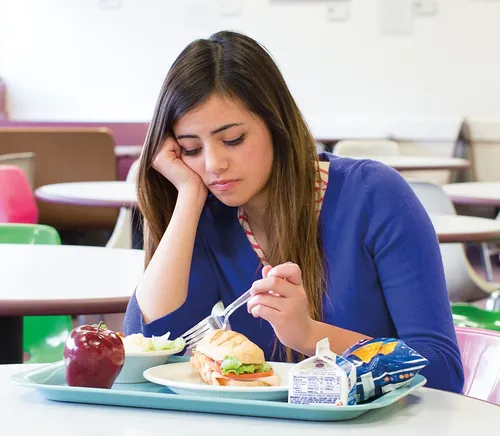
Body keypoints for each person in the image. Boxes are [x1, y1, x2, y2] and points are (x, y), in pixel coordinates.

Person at [124, 30, 464, 393]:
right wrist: (189, 195)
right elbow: (148, 342)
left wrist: (309, 335)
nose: (213, 164)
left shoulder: (373, 195)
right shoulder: (210, 213)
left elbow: (440, 372)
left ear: (276, 124)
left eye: (233, 140)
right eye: (191, 148)